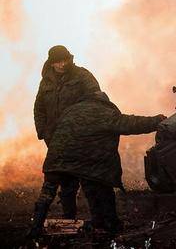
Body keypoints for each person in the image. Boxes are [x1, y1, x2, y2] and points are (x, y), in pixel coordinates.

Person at [28, 91, 166, 237]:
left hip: (56, 159)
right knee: (101, 187)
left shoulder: (70, 110)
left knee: (47, 193)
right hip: (87, 162)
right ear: (104, 102)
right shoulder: (104, 112)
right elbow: (130, 124)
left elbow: (52, 129)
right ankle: (110, 224)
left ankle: (36, 227)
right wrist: (157, 121)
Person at [32, 45, 101, 222]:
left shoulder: (82, 76)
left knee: (89, 182)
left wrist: (88, 128)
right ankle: (68, 219)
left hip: (80, 139)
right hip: (55, 140)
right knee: (64, 181)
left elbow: (96, 100)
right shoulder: (46, 81)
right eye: (57, 61)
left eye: (65, 60)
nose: (62, 64)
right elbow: (39, 107)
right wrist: (42, 131)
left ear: (70, 58)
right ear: (52, 63)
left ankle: (101, 222)